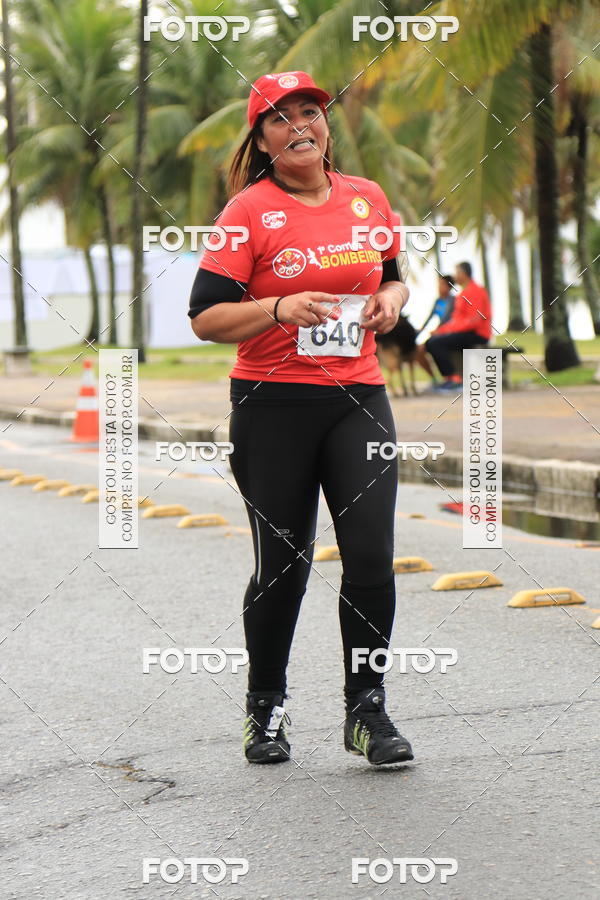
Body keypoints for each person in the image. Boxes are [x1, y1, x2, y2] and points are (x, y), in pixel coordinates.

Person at [188, 71, 414, 767]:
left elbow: (393, 271)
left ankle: (366, 709)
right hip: (272, 403)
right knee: (283, 565)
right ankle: (267, 710)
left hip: (357, 399)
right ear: (262, 139)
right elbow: (204, 317)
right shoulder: (248, 212)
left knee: (372, 555)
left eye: (309, 112)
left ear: (326, 124)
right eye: (280, 119)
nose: (299, 127)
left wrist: (394, 300)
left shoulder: (366, 198)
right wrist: (278, 309)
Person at [424, 262, 492, 390]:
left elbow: (473, 321)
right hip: (466, 332)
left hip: (477, 334)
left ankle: (454, 379)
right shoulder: (463, 293)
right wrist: (441, 330)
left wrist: (445, 331)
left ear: (463, 274)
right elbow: (456, 320)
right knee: (431, 342)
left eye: (457, 273)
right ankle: (449, 378)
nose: (455, 276)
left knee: (435, 343)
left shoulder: (475, 291)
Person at [413, 274, 456, 384]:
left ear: (448, 286)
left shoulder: (452, 300)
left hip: (448, 333)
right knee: (418, 350)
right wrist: (419, 332)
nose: (439, 287)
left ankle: (448, 378)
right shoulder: (438, 301)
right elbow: (429, 318)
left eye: (441, 284)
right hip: (438, 332)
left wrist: (436, 331)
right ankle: (435, 378)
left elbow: (447, 319)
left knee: (429, 345)